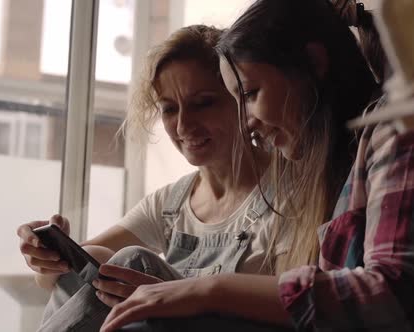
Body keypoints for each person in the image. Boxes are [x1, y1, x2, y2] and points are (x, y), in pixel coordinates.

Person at [99, 0, 414, 331]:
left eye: (251, 94)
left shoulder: (408, 127)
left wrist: (207, 289)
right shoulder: (344, 164)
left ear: (314, 64)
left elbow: (391, 296)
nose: (247, 120)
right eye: (169, 109)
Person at [17, 25, 294, 332]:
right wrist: (48, 258)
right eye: (170, 109)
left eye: (203, 102)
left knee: (133, 261)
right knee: (94, 262)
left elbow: (298, 308)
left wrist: (179, 298)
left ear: (240, 97)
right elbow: (60, 280)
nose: (184, 125)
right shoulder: (171, 203)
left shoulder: (289, 192)